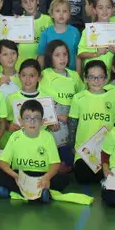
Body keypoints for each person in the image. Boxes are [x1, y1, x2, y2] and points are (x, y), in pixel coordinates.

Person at [0, 99, 69, 202]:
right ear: (21, 121)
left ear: (42, 122)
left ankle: (14, 190)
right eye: (27, 118)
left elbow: (55, 164)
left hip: (41, 176)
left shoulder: (48, 137)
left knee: (64, 179)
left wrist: (46, 177)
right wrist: (15, 176)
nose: (32, 122)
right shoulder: (15, 136)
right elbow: (2, 162)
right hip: (21, 175)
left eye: (36, 118)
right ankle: (40, 194)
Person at [69, 60, 115, 184]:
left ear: (106, 78)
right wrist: (73, 147)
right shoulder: (78, 98)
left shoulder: (113, 97)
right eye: (92, 77)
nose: (96, 81)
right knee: (83, 177)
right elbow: (72, 125)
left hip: (107, 150)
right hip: (85, 152)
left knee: (114, 173)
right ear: (86, 78)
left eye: (100, 77)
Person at [42, 40, 85, 169]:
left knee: (69, 163)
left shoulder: (74, 76)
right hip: (52, 125)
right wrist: (50, 120)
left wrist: (70, 117)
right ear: (50, 57)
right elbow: (39, 100)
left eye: (65, 54)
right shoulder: (45, 75)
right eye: (57, 55)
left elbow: (82, 98)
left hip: (70, 125)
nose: (62, 58)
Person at [78, 0, 115, 71]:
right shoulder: (88, 30)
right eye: (100, 8)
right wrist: (96, 54)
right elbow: (81, 54)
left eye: (108, 7)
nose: (105, 11)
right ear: (94, 10)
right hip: (93, 73)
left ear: (112, 9)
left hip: (113, 73)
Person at [37, 0, 81, 70]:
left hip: (71, 73)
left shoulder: (75, 32)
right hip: (51, 74)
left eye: (64, 11)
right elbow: (41, 56)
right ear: (51, 14)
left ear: (69, 14)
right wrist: (40, 74)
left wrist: (78, 74)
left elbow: (78, 55)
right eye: (57, 11)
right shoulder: (46, 33)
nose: (61, 14)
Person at [17, 0, 54, 69]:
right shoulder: (18, 21)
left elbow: (52, 45)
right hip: (21, 65)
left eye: (31, 0)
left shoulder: (47, 20)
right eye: (25, 2)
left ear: (37, 1)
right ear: (21, 4)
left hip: (42, 65)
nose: (29, 4)